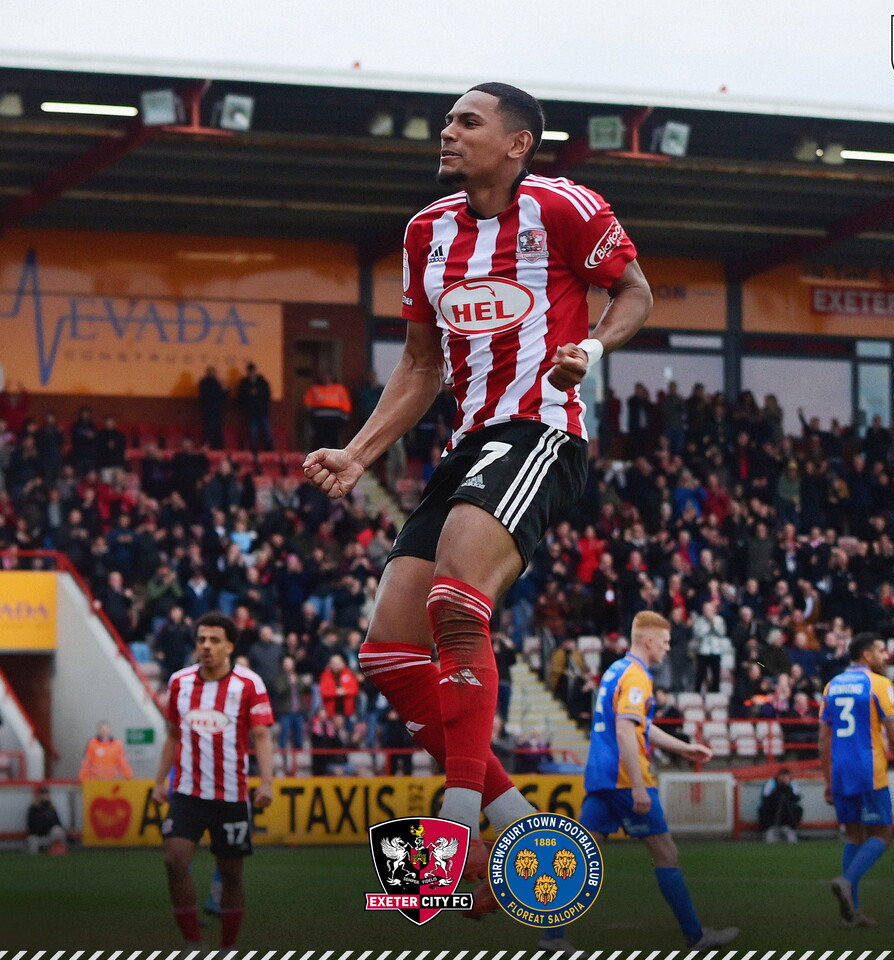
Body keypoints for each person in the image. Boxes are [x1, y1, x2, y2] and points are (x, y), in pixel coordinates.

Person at [304, 80, 652, 932]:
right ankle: (514, 830)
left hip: (540, 430)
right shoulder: (427, 233)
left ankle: (454, 840)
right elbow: (421, 366)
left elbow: (636, 290)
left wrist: (590, 349)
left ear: (518, 142)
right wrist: (357, 452)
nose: (448, 132)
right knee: (388, 650)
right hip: (469, 444)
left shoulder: (565, 208)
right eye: (448, 120)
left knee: (456, 602)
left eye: (468, 121)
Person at [579, 611, 738, 949]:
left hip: (601, 775)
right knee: (666, 853)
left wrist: (685, 748)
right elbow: (625, 728)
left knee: (580, 857)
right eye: (665, 642)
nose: (668, 649)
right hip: (625, 779)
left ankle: (552, 935)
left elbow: (637, 724)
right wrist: (638, 784)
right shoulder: (637, 676)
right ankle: (697, 936)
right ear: (649, 641)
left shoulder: (615, 670)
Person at [151, 611, 274, 948]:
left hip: (231, 795)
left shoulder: (249, 684)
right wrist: (159, 781)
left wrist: (267, 782)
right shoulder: (179, 682)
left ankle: (227, 948)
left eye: (214, 640)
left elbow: (262, 736)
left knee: (232, 873)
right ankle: (193, 943)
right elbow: (174, 735)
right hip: (187, 793)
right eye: (201, 639)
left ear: (229, 646)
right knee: (174, 859)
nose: (206, 646)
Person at [819, 632, 894, 929]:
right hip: (869, 768)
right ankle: (847, 881)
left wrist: (827, 780)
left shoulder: (831, 685)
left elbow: (823, 741)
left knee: (853, 835)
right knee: (883, 834)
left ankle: (853, 913)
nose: (886, 656)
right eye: (881, 650)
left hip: (841, 770)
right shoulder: (879, 684)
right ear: (867, 655)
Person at [303, 371, 353, 450]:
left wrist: (345, 417)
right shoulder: (315, 389)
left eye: (328, 376)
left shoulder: (339, 389)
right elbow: (308, 404)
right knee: (318, 441)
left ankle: (334, 461)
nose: (326, 378)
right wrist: (310, 416)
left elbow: (345, 403)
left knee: (334, 441)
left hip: (335, 420)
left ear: (332, 377)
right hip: (319, 420)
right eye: (324, 376)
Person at [758, 767, 803, 843]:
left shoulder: (793, 784)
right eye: (781, 776)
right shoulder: (771, 783)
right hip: (773, 808)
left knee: (798, 809)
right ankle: (770, 829)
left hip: (788, 808)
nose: (783, 779)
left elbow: (797, 798)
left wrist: (787, 788)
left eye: (785, 777)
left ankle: (790, 828)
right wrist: (778, 790)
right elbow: (765, 798)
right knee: (764, 809)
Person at [236, 362, 273, 454]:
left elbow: (267, 395)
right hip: (251, 412)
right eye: (250, 371)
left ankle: (269, 451)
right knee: (253, 433)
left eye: (253, 371)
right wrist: (249, 394)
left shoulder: (262, 382)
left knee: (267, 431)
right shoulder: (244, 383)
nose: (252, 373)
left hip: (262, 411)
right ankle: (255, 451)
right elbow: (240, 397)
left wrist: (258, 393)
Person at [26, 784, 68, 855]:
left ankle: (59, 852)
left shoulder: (51, 808)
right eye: (43, 794)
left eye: (46, 793)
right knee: (32, 840)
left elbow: (57, 823)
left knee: (57, 831)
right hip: (37, 835)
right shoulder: (33, 809)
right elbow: (31, 825)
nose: (45, 796)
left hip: (50, 835)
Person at [198, 365, 228, 450]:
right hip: (208, 410)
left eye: (214, 372)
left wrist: (225, 389)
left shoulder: (218, 382)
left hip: (218, 410)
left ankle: (218, 447)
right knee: (208, 429)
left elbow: (223, 396)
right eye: (211, 372)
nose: (213, 374)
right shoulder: (204, 382)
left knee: (218, 429)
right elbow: (207, 395)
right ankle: (206, 446)